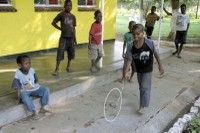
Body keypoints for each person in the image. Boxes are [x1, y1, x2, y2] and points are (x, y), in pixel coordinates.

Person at [125, 24, 164, 114]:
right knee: (141, 87)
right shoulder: (131, 46)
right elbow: (129, 60)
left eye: (138, 33)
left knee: (144, 87)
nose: (135, 36)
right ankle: (142, 102)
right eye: (133, 34)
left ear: (143, 33)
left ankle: (142, 105)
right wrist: (126, 72)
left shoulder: (149, 43)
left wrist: (160, 65)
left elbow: (156, 54)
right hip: (139, 69)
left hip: (148, 69)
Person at [11, 55, 51, 119]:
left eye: (29, 63)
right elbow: (18, 88)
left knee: (46, 89)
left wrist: (38, 89)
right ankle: (34, 111)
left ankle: (44, 107)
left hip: (34, 88)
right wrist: (18, 99)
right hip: (25, 91)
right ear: (20, 65)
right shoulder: (18, 74)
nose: (29, 65)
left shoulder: (32, 70)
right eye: (26, 63)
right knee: (24, 96)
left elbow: (35, 81)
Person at [52, 0, 77, 76]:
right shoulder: (61, 15)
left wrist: (75, 39)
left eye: (70, 5)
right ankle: (56, 69)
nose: (69, 7)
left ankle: (68, 67)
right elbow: (53, 22)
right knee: (60, 53)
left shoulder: (73, 17)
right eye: (67, 5)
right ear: (64, 6)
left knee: (70, 53)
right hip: (63, 38)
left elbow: (73, 28)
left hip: (71, 38)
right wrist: (60, 28)